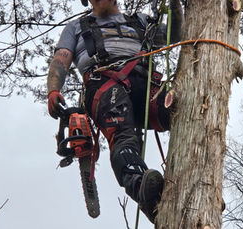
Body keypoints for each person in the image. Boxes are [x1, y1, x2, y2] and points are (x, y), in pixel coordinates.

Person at [47, 0, 183, 223]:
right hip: (104, 83)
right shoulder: (77, 27)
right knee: (122, 134)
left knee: (180, 108)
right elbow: (60, 59)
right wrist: (53, 89)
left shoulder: (139, 21)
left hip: (145, 83)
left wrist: (175, 6)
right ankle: (142, 187)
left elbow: (174, 35)